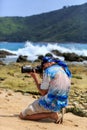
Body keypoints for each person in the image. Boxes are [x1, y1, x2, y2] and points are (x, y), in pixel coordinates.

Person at [19, 56, 72, 123]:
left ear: (49, 63)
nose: (42, 66)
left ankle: (51, 114)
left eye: (43, 64)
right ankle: (58, 110)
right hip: (63, 102)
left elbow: (43, 92)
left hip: (51, 103)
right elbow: (55, 86)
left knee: (22, 115)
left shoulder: (48, 71)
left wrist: (35, 77)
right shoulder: (64, 69)